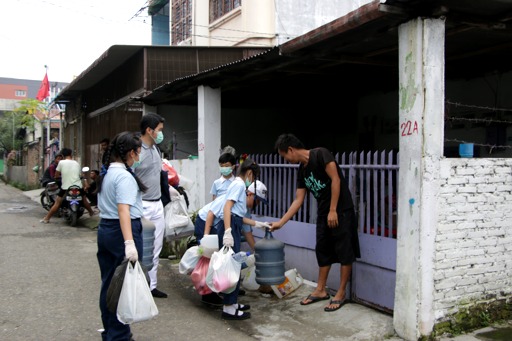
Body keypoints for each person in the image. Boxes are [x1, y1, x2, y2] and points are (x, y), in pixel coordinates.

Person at [269, 133, 360, 312]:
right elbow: (298, 200)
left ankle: (341, 293)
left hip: (341, 210)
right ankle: (320, 290)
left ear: (290, 150)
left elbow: (336, 180)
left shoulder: (321, 154)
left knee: (344, 250)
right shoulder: (302, 169)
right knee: (323, 250)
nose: (285, 160)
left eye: (284, 156)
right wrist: (281, 222)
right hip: (323, 213)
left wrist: (333, 209)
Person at [96, 131, 147, 341]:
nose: (140, 155)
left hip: (106, 229)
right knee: (123, 287)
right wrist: (129, 243)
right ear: (131, 153)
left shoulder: (109, 173)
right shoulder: (124, 177)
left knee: (109, 283)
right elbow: (123, 211)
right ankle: (119, 336)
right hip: (122, 231)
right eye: (139, 151)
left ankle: (110, 331)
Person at [217, 157, 265, 320]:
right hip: (230, 225)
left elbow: (239, 215)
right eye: (253, 177)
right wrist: (228, 231)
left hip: (234, 222)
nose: (252, 181)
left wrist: (258, 224)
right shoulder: (238, 184)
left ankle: (232, 303)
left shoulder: (237, 185)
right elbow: (227, 207)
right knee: (232, 267)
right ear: (250, 173)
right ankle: (228, 308)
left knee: (234, 266)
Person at [133, 113, 168, 298]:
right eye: (160, 130)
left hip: (157, 204)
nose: (162, 134)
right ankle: (135, 284)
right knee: (140, 248)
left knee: (156, 247)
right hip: (142, 205)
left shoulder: (156, 149)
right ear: (149, 130)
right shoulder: (137, 151)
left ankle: (151, 285)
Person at [40, 148, 95, 223]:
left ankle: (47, 218)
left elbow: (56, 175)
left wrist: (59, 176)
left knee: (57, 203)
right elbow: (80, 175)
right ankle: (91, 213)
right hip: (78, 186)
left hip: (66, 187)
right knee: (84, 200)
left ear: (62, 155)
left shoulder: (61, 163)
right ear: (71, 154)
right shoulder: (76, 163)